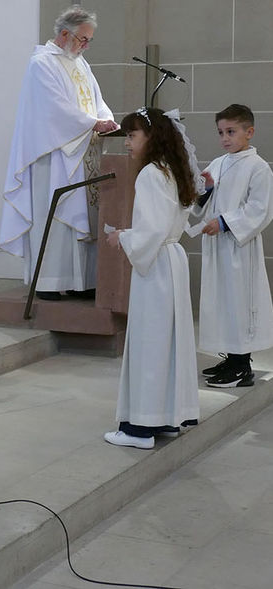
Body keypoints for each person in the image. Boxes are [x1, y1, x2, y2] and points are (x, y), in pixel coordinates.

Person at [0, 5, 119, 301]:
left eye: (89, 40)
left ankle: (84, 281)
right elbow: (54, 110)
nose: (86, 46)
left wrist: (107, 120)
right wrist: (92, 123)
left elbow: (96, 99)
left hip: (83, 152)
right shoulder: (42, 64)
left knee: (84, 216)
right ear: (65, 34)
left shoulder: (80, 63)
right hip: (54, 156)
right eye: (83, 40)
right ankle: (50, 282)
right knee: (58, 217)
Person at [104, 108, 200, 449]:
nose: (128, 142)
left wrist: (123, 238)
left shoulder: (149, 174)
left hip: (157, 265)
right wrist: (135, 234)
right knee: (167, 343)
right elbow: (163, 224)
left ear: (152, 136)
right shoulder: (173, 170)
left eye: (132, 135)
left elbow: (151, 232)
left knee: (149, 343)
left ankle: (139, 429)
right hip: (171, 259)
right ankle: (166, 420)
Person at [194, 104, 273, 388]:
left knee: (239, 302)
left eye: (231, 131)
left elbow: (260, 209)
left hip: (240, 249)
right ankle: (230, 357)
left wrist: (225, 222)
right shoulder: (218, 163)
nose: (225, 138)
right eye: (220, 132)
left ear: (249, 132)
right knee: (221, 302)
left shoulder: (258, 167)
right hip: (217, 248)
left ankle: (242, 367)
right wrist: (204, 191)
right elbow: (201, 201)